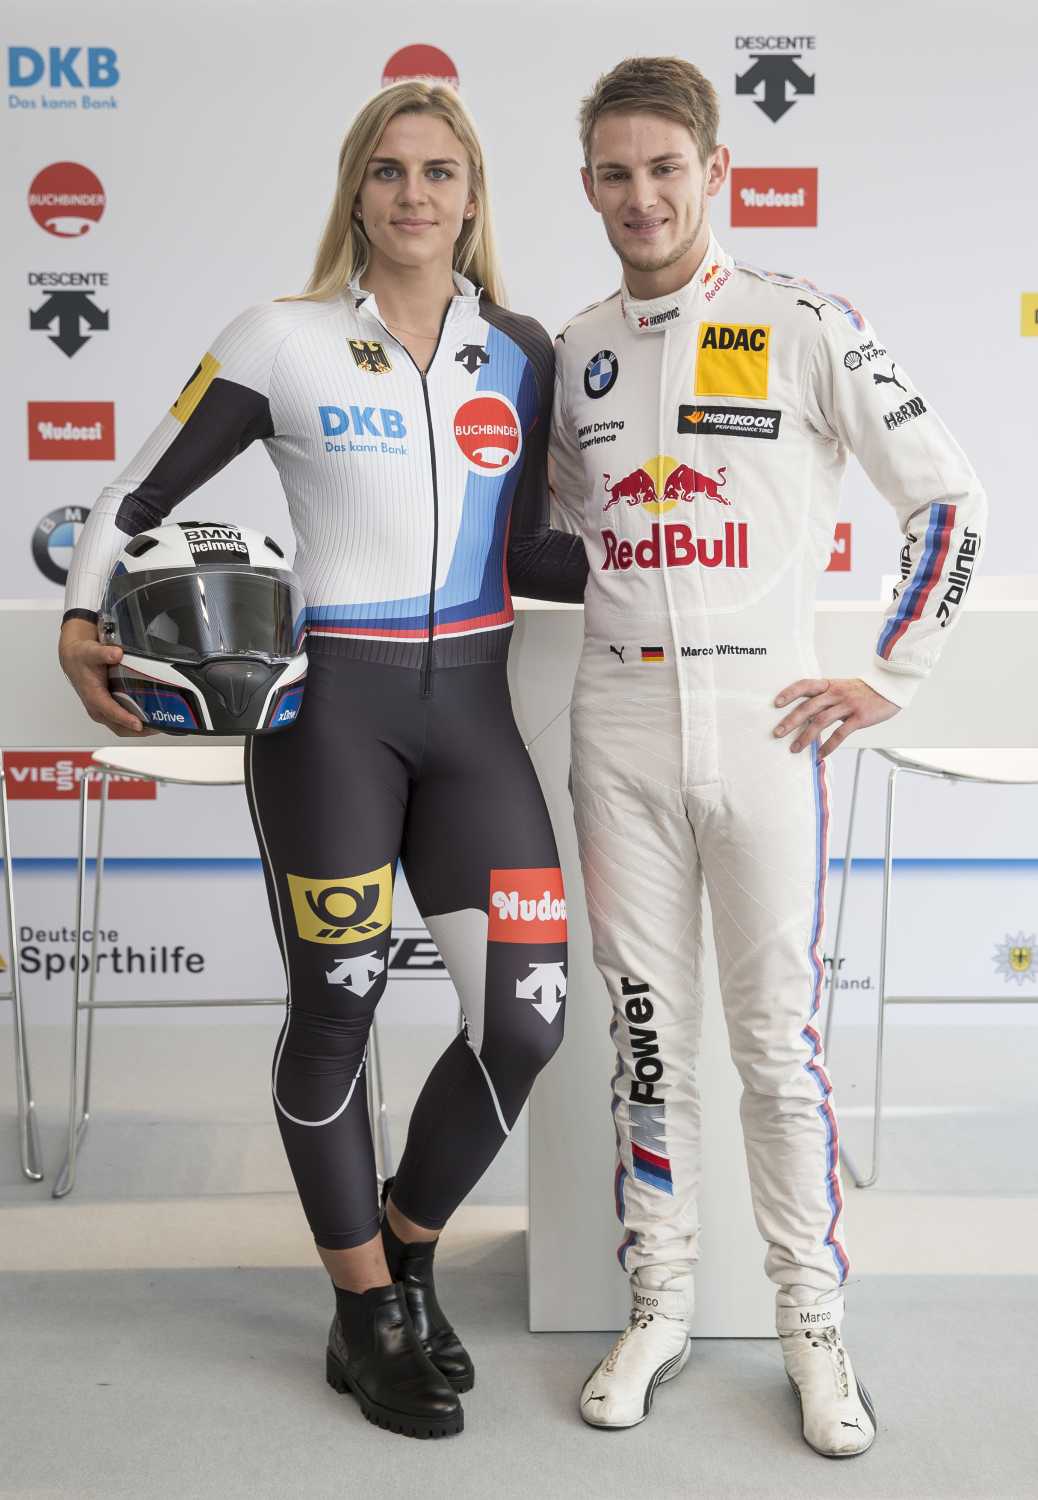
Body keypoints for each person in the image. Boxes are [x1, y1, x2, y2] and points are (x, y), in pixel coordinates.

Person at [58, 79, 587, 1441]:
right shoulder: (282, 339)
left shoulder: (520, 350)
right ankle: (363, 1313)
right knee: (339, 1006)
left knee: (527, 1017)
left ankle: (402, 1252)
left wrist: (677, 563)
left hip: (474, 721)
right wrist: (79, 616)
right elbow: (134, 493)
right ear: (356, 190)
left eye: (440, 171)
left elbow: (531, 551)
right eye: (389, 169)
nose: (415, 193)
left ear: (472, 196)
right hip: (330, 721)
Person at [548, 56, 985, 1456]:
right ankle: (659, 1304)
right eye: (616, 173)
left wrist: (887, 673)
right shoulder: (576, 348)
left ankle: (811, 1323)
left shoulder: (803, 321)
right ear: (588, 187)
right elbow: (549, 534)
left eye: (665, 168)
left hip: (762, 725)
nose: (642, 196)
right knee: (644, 1046)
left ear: (715, 172)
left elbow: (949, 501)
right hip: (616, 725)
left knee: (777, 1055)